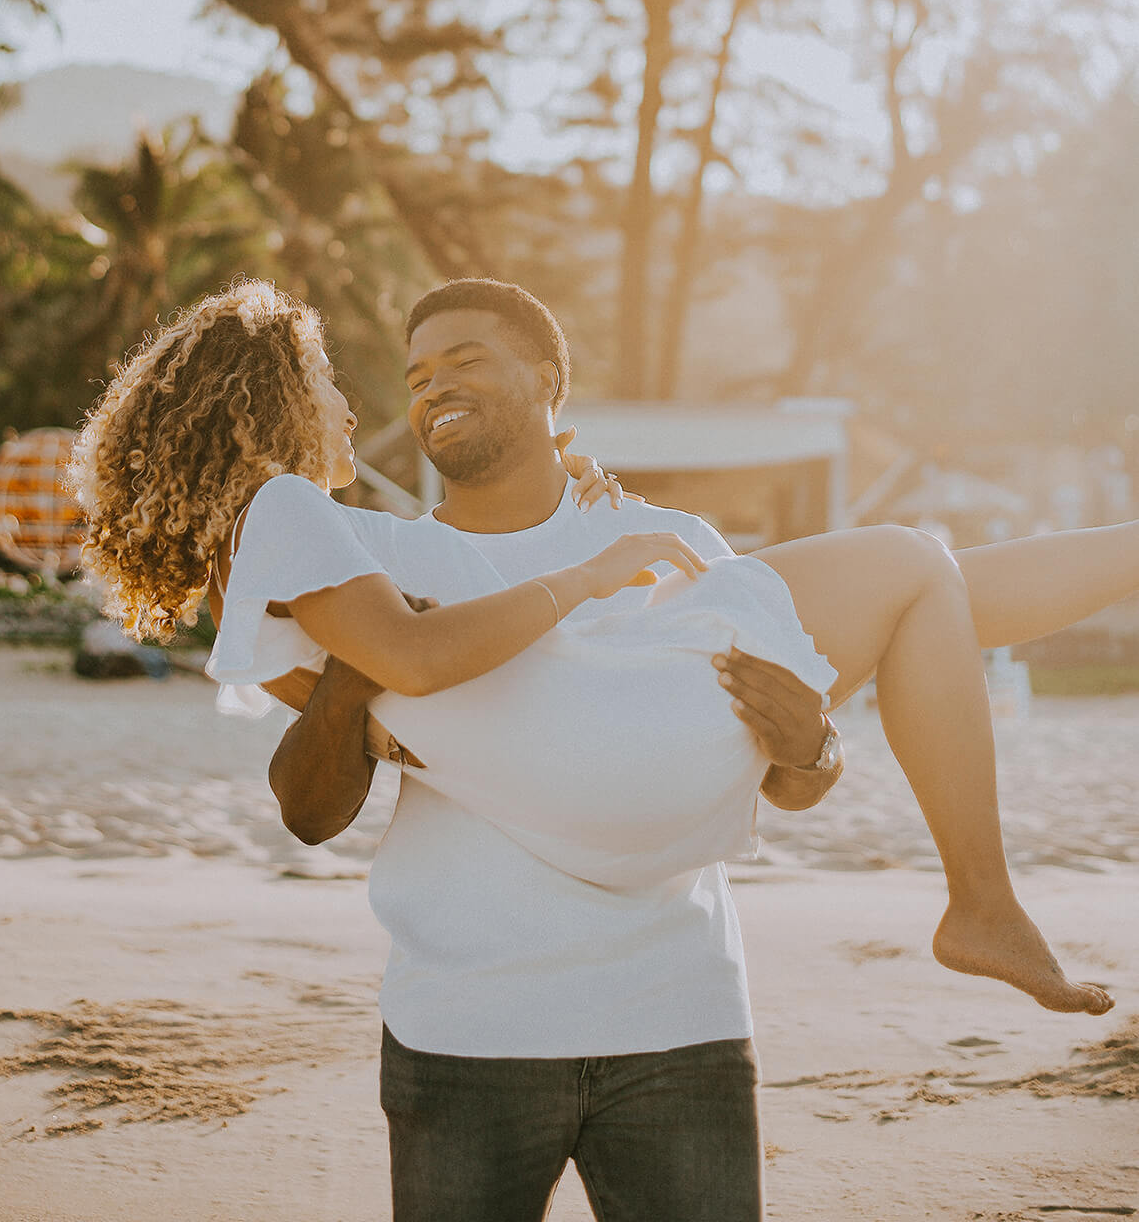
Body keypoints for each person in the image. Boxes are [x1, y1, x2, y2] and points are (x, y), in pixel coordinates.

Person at [73, 276, 1139, 1222]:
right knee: (917, 564)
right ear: (267, 400)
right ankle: (981, 898)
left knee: (928, 582)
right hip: (554, 874)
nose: (364, 401)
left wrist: (809, 746)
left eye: (463, 359)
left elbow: (786, 770)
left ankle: (985, 893)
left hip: (650, 908)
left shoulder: (309, 563)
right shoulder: (306, 517)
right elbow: (397, 661)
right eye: (337, 378)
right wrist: (583, 576)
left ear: (546, 383)